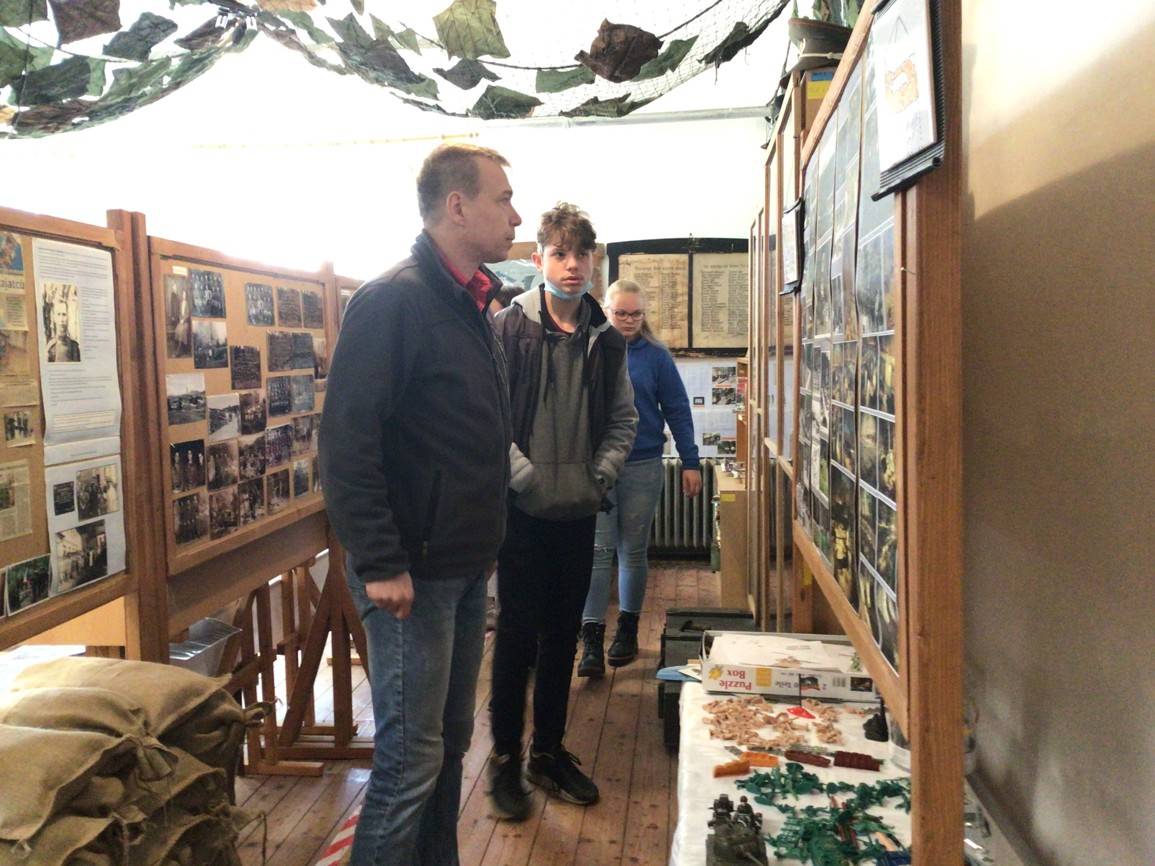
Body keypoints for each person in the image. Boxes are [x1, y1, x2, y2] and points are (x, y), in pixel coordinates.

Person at [319, 142, 520, 866]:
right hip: (411, 574)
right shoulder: (394, 300)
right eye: (503, 199)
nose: (515, 216)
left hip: (460, 564)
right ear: (457, 206)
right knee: (409, 763)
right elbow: (347, 442)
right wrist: (379, 561)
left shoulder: (469, 302)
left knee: (450, 744)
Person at [487, 203, 638, 820]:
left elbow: (623, 419)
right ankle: (503, 759)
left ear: (594, 261)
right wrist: (521, 477)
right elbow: (488, 417)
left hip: (578, 511)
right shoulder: (507, 330)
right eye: (559, 254)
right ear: (538, 260)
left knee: (562, 637)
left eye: (581, 254)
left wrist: (596, 476)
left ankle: (546, 753)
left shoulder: (607, 339)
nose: (572, 265)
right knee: (516, 639)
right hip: (522, 514)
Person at [579, 279, 701, 677]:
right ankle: (591, 638)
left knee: (632, 550)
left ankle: (627, 631)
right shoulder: (589, 348)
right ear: (606, 311)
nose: (629, 320)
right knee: (597, 552)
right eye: (621, 313)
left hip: (643, 463)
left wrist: (691, 461)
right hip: (596, 467)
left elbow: (677, 409)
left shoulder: (656, 357)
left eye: (636, 314)